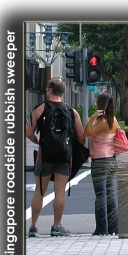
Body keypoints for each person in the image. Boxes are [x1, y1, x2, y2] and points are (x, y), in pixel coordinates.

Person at [26, 79, 85, 237]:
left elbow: (29, 133)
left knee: (39, 191)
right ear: (62, 92)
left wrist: (39, 142)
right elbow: (81, 138)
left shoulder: (40, 109)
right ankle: (57, 226)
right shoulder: (72, 112)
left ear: (50, 91)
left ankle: (34, 227)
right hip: (64, 157)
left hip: (45, 156)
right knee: (59, 192)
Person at [84, 92, 118, 236]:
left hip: (100, 161)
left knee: (101, 196)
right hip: (111, 159)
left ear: (100, 104)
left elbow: (86, 133)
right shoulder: (113, 120)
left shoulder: (102, 122)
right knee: (110, 195)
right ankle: (114, 227)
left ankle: (101, 229)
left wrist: (92, 117)